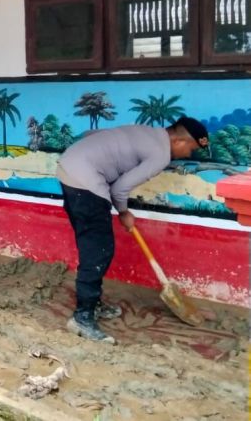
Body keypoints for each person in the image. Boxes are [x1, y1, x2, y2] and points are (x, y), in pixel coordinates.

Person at [56, 117, 210, 344]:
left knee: (91, 245)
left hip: (68, 167)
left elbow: (93, 136)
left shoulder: (146, 132)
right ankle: (82, 317)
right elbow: (119, 188)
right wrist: (124, 212)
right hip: (85, 180)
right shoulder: (160, 154)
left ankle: (93, 303)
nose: (188, 154)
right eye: (191, 148)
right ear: (177, 140)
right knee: (99, 251)